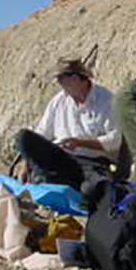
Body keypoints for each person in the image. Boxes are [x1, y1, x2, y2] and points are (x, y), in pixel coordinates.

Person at [14, 58, 124, 193]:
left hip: (91, 163)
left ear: (75, 78)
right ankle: (43, 179)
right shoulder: (58, 101)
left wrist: (80, 143)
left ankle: (54, 183)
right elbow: (42, 133)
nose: (59, 84)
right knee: (23, 137)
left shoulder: (106, 100)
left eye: (61, 79)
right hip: (62, 158)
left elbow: (115, 140)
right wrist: (26, 163)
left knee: (93, 189)